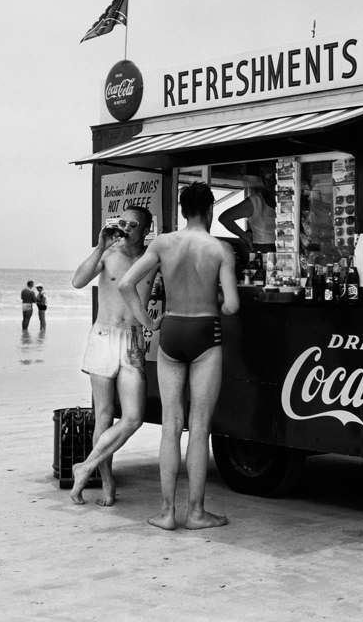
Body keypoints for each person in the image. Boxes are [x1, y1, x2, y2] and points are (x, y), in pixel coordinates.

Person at [118, 182, 240, 531]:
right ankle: (198, 513)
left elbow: (127, 284)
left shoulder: (162, 243)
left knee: (171, 426)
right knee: (199, 428)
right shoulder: (219, 249)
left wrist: (146, 324)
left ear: (183, 210)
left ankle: (168, 513)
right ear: (210, 209)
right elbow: (231, 305)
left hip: (171, 331)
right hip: (206, 334)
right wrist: (213, 298)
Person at [69, 207, 157, 507]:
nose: (127, 228)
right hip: (103, 336)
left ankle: (86, 466)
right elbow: (78, 281)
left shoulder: (151, 258)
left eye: (134, 225)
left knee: (133, 418)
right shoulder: (109, 253)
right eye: (124, 223)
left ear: (146, 229)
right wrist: (99, 246)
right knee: (104, 416)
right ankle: (106, 482)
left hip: (132, 340)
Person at [218, 166, 276, 253]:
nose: (272, 183)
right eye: (268, 179)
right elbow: (225, 218)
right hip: (264, 250)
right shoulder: (255, 202)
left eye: (274, 178)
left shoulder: (288, 201)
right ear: (264, 181)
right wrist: (245, 236)